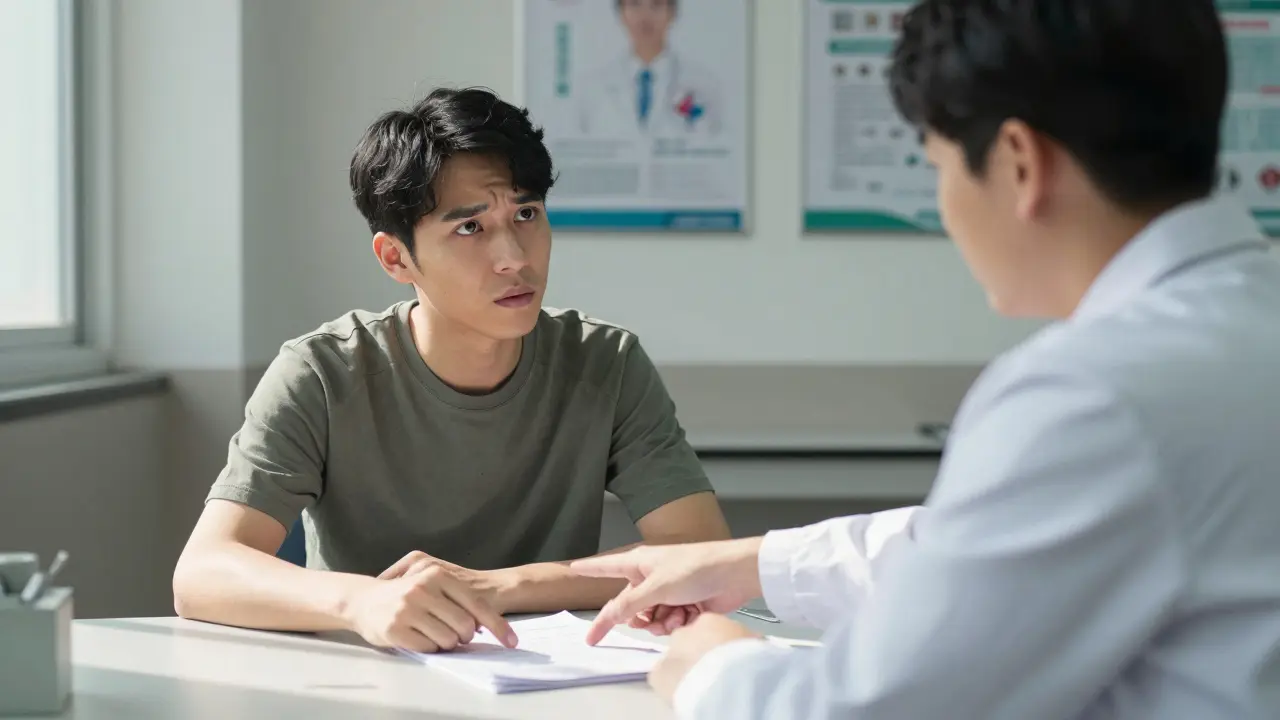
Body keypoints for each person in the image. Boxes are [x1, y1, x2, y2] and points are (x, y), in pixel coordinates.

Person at [572, 0, 1280, 717]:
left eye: (938, 165)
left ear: (1018, 162)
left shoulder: (1094, 394)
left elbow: (872, 708)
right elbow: (1003, 548)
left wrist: (711, 668)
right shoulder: (1243, 324)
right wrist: (754, 565)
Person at [172, 87, 730, 654]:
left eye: (526, 214)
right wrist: (362, 601)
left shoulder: (606, 363)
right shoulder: (321, 372)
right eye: (470, 228)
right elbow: (202, 573)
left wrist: (495, 587)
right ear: (396, 258)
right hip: (366, 678)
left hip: (550, 679)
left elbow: (699, 551)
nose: (515, 256)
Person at [578, 0, 721, 138]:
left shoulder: (704, 85)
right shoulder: (593, 88)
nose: (645, 16)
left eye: (657, 4)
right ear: (621, 13)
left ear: (672, 12)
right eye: (635, 4)